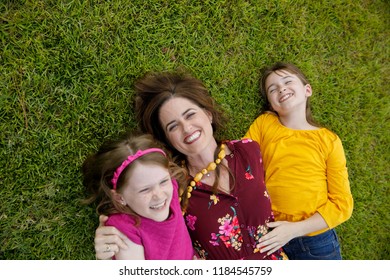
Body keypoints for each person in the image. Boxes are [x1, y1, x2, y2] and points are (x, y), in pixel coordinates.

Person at [93, 71, 287, 260]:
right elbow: (138, 217)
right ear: (167, 139)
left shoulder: (248, 150)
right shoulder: (172, 185)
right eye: (173, 126)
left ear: (208, 114)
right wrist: (108, 240)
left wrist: (296, 229)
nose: (186, 128)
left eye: (190, 115)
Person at [245, 62, 353, 259]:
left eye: (287, 81)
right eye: (273, 89)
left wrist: (294, 230)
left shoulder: (329, 140)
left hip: (316, 241)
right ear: (271, 103)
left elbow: (342, 204)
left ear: (307, 90)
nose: (281, 88)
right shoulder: (265, 123)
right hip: (269, 235)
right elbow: (244, 161)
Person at [82, 132, 195, 260]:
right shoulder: (124, 228)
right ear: (120, 198)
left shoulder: (171, 188)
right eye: (145, 190)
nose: (159, 195)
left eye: (163, 181)